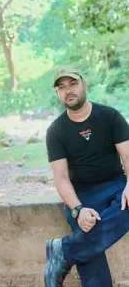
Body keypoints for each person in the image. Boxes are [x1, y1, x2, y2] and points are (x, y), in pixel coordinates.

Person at [44, 65, 129, 287]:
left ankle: (64, 250)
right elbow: (61, 178)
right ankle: (70, 249)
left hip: (115, 187)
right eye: (62, 87)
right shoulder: (56, 131)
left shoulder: (109, 116)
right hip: (81, 195)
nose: (68, 90)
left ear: (84, 85)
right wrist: (78, 210)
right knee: (87, 233)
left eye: (73, 84)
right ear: (57, 94)